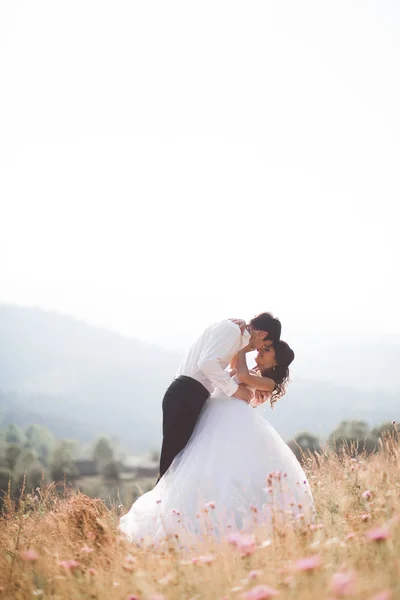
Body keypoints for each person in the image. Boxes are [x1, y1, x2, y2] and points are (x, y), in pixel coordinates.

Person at [119, 339, 314, 544]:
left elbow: (242, 375)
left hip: (229, 422)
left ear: (276, 362)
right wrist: (238, 344)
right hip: (211, 417)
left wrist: (240, 346)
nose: (261, 351)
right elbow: (231, 371)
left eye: (267, 350)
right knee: (197, 470)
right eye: (263, 347)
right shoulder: (251, 372)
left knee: (222, 472)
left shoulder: (267, 382)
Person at [157, 313, 282, 480]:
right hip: (185, 394)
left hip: (193, 395)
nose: (258, 349)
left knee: (180, 462)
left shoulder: (235, 336)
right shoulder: (231, 330)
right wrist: (235, 390)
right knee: (172, 463)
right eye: (264, 345)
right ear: (262, 334)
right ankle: (161, 503)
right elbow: (207, 363)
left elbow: (213, 369)